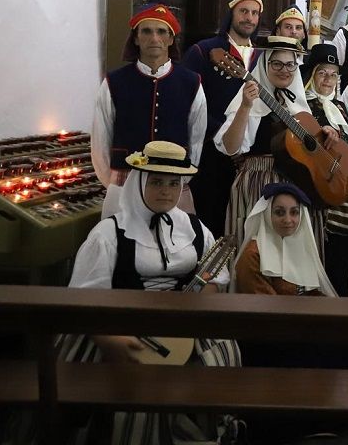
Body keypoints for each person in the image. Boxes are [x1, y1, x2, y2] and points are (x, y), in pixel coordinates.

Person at [62, 142, 240, 443]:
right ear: (140, 181)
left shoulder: (196, 230)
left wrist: (196, 314)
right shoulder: (109, 234)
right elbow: (84, 299)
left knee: (221, 355)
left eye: (174, 183)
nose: (166, 191)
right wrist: (111, 340)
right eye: (157, 181)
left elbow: (213, 279)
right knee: (136, 388)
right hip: (123, 328)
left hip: (185, 324)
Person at [215, 36, 339, 251]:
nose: (285, 70)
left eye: (290, 64)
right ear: (265, 65)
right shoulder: (247, 98)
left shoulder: (298, 103)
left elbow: (310, 150)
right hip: (260, 182)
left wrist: (325, 134)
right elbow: (230, 147)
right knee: (258, 252)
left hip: (299, 183)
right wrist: (245, 106)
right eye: (277, 64)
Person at [92, 4, 205, 218]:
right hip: (123, 189)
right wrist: (116, 183)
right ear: (135, 38)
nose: (154, 38)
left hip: (173, 191)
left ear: (171, 39)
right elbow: (100, 141)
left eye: (161, 31)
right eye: (146, 31)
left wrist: (179, 180)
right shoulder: (114, 82)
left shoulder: (191, 83)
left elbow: (196, 139)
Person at [182, 0, 263, 235]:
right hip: (211, 155)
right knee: (210, 223)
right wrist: (222, 135)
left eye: (254, 13)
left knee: (245, 226)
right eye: (243, 11)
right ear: (232, 14)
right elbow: (188, 100)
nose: (249, 18)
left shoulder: (265, 58)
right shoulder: (204, 51)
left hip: (253, 163)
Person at [303, 43, 348, 296]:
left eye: (333, 74)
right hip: (322, 189)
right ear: (311, 75)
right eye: (322, 73)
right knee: (325, 249)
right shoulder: (305, 105)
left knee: (346, 250)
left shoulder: (341, 107)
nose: (328, 80)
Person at [235, 182, 336, 296]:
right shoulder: (252, 255)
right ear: (268, 214)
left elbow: (310, 294)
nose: (288, 220)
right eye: (279, 212)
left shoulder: (301, 249)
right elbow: (265, 308)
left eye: (294, 212)